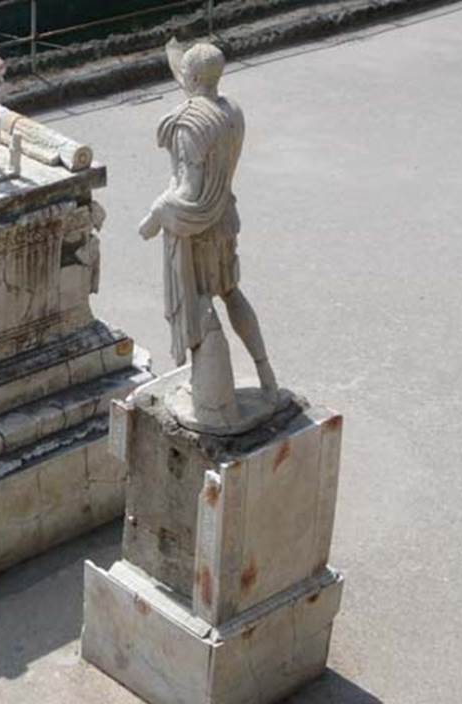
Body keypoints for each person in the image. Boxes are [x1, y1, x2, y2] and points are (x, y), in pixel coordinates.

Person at [138, 41, 277, 427]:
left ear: (193, 78)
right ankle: (267, 376)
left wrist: (155, 215)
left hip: (197, 229)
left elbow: (189, 193)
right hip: (225, 220)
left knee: (200, 304)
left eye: (185, 73)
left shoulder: (189, 125)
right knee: (231, 293)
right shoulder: (231, 112)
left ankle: (215, 403)